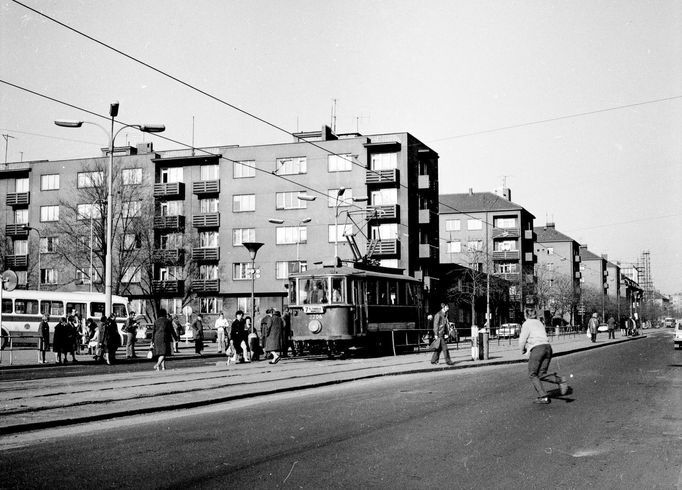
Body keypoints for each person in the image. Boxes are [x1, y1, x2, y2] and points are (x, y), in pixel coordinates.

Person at [519, 307, 569, 404]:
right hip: (548, 348)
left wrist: (522, 350)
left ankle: (543, 396)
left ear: (526, 315)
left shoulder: (526, 324)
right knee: (541, 374)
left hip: (538, 349)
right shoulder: (539, 323)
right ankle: (560, 380)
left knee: (532, 374)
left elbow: (522, 339)